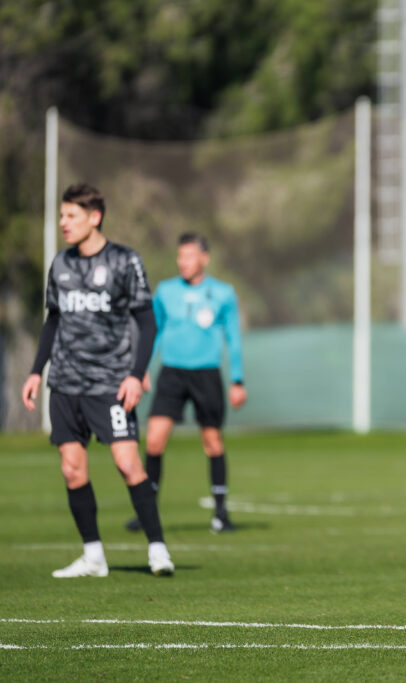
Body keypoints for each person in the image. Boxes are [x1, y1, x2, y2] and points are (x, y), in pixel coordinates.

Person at [21, 183, 174, 578]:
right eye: (61, 216)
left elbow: (147, 320)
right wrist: (37, 371)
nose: (63, 223)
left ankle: (157, 549)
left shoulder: (126, 261)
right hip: (67, 383)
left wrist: (137, 374)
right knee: (73, 469)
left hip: (110, 383)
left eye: (71, 216)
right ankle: (93, 557)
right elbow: (53, 320)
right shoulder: (61, 264)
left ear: (95, 217)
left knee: (128, 464)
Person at [125, 233, 247, 534]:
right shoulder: (166, 292)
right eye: (180, 257)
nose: (184, 263)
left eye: (189, 257)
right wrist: (141, 368)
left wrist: (237, 380)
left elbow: (233, 338)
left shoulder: (223, 293)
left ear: (204, 258)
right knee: (154, 440)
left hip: (206, 375)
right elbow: (153, 331)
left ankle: (221, 513)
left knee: (213, 442)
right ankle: (146, 511)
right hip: (172, 374)